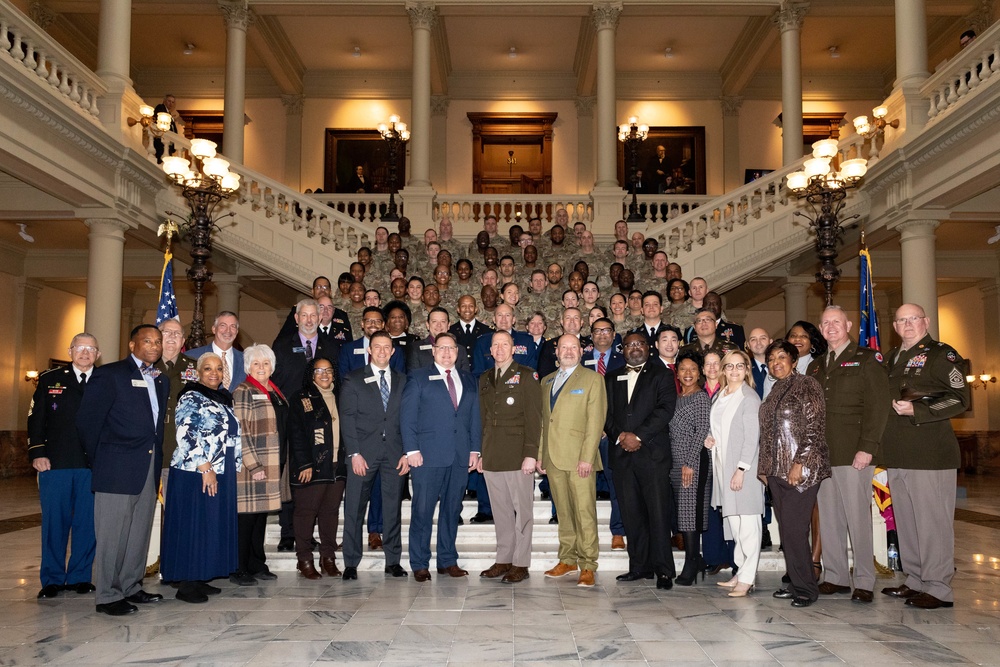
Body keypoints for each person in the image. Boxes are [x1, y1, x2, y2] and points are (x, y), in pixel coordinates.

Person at [880, 303, 969, 610]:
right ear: (894, 326)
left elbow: (960, 398)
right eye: (901, 320)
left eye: (913, 319)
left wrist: (918, 410)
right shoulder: (891, 358)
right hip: (898, 453)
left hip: (930, 453)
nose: (907, 324)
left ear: (926, 321)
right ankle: (916, 579)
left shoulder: (941, 354)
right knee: (906, 522)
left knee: (933, 523)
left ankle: (939, 587)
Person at [77, 324, 168, 616]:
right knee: (112, 535)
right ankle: (107, 595)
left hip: (148, 465)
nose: (153, 346)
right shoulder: (111, 374)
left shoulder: (161, 379)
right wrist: (102, 459)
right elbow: (88, 423)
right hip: (115, 467)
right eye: (147, 341)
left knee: (138, 532)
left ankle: (131, 585)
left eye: (157, 341)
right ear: (132, 345)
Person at [808, 306, 888, 604]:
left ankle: (865, 580)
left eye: (836, 322)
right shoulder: (815, 365)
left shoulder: (867, 359)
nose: (831, 327)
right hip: (823, 454)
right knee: (829, 519)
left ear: (849, 325)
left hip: (854, 452)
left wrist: (867, 447)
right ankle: (836, 576)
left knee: (858, 519)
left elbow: (878, 407)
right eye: (825, 322)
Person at [161, 353, 241, 603]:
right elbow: (185, 434)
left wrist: (232, 468)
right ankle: (186, 583)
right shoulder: (191, 396)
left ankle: (200, 576)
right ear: (198, 372)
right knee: (192, 525)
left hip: (221, 469)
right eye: (208, 368)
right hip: (194, 473)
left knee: (209, 525)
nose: (214, 373)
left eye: (219, 368)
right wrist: (205, 468)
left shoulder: (223, 399)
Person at [401, 333, 482, 582]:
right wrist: (411, 450)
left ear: (458, 352)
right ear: (433, 351)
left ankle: (448, 560)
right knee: (423, 511)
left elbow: (474, 417)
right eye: (442, 348)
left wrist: (475, 450)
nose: (447, 353)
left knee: (451, 510)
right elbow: (407, 416)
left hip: (459, 456)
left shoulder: (469, 380)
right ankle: (420, 562)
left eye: (452, 348)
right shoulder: (418, 377)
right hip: (426, 458)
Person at [28, 333, 100, 599]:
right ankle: (52, 579)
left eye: (90, 349)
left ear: (98, 354)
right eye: (80, 348)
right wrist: (37, 452)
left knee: (87, 523)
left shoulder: (107, 381)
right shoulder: (49, 380)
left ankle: (80, 577)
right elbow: (36, 419)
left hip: (92, 465)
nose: (85, 353)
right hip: (55, 463)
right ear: (70, 351)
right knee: (54, 524)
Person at [759, 340, 830, 608]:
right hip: (776, 472)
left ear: (794, 360)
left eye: (781, 357)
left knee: (795, 531)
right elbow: (768, 434)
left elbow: (815, 427)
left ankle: (806, 589)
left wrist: (799, 463)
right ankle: (795, 581)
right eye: (771, 359)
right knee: (788, 532)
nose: (776, 362)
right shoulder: (775, 389)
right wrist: (764, 468)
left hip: (800, 471)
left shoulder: (807, 385)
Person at [604, 332, 677, 589]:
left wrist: (639, 436)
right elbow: (606, 412)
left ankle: (664, 570)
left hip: (653, 455)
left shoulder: (663, 375)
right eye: (630, 345)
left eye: (640, 344)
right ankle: (638, 567)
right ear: (622, 349)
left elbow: (666, 409)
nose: (635, 348)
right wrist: (620, 436)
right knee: (631, 514)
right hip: (622, 455)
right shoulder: (611, 377)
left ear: (649, 348)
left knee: (657, 514)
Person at [271, 299, 340, 551]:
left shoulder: (330, 346)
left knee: (317, 483)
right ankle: (288, 533)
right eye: (305, 315)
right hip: (292, 423)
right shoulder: (282, 345)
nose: (310, 320)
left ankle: (310, 534)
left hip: (320, 426)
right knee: (292, 479)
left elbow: (336, 383)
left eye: (315, 315)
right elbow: (274, 384)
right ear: (297, 318)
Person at [340, 331, 410, 580]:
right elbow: (347, 419)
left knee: (392, 509)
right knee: (354, 509)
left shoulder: (403, 380)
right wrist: (354, 453)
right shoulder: (353, 379)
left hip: (394, 454)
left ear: (393, 351)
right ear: (369, 350)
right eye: (376, 346)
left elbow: (409, 419)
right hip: (363, 454)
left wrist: (406, 452)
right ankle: (350, 562)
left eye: (386, 347)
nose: (381, 351)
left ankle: (393, 561)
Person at [539, 335, 608, 588]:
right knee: (564, 513)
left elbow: (595, 422)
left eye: (573, 347)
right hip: (553, 459)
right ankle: (567, 559)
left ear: (581, 351)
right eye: (563, 347)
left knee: (584, 513)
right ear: (556, 352)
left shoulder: (593, 379)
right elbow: (545, 423)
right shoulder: (546, 381)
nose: (568, 351)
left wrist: (587, 458)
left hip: (580, 459)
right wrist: (540, 456)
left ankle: (588, 564)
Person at [477, 331, 543, 584]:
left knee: (522, 512)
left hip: (518, 454)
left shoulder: (526, 376)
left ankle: (521, 563)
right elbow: (482, 419)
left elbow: (534, 418)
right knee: (501, 511)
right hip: (493, 453)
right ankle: (504, 558)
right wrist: (482, 452)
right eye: (496, 345)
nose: (500, 349)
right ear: (491, 351)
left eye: (505, 344)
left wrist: (530, 454)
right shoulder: (484, 379)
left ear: (513, 348)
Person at [705, 349, 763, 598]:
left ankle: (748, 578)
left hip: (742, 470)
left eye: (740, 366)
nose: (735, 371)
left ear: (747, 369)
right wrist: (710, 439)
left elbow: (752, 438)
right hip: (723, 467)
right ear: (722, 370)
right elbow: (718, 427)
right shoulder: (721, 395)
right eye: (730, 366)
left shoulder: (749, 397)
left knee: (748, 524)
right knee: (735, 525)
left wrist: (741, 469)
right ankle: (741, 571)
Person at [231, 344, 288, 585]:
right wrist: (254, 465)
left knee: (260, 518)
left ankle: (257, 563)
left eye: (266, 363)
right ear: (248, 367)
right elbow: (240, 431)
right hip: (252, 466)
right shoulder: (243, 390)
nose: (261, 367)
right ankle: (239, 567)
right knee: (246, 519)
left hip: (272, 462)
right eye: (256, 363)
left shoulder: (274, 390)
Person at [287, 357, 346, 579]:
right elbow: (296, 435)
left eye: (328, 370)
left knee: (330, 514)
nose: (324, 375)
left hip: (337, 467)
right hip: (311, 467)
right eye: (319, 371)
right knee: (305, 514)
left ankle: (328, 558)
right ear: (311, 374)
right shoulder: (301, 398)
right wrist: (305, 464)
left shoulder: (342, 396)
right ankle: (304, 559)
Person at [668, 349, 712, 586]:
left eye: (693, 369)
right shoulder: (677, 398)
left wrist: (689, 463)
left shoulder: (700, 397)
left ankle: (692, 563)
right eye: (683, 369)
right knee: (684, 515)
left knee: (691, 515)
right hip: (676, 462)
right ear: (677, 372)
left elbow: (702, 430)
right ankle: (697, 560)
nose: (688, 373)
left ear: (700, 373)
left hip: (694, 462)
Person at [584, 317, 626, 550]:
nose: (602, 335)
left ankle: (618, 531)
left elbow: (624, 402)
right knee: (583, 484)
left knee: (615, 482)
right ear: (591, 335)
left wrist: (607, 427)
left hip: (612, 434)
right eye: (597, 331)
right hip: (585, 433)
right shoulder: (580, 361)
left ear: (613, 334)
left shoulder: (623, 361)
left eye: (606, 330)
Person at [156, 319, 198, 498]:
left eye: (177, 333)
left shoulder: (195, 367)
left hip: (182, 448)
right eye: (167, 332)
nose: (172, 336)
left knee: (179, 506)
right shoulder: (144, 366)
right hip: (150, 447)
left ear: (183, 341)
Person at [188, 311, 246, 393]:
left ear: (236, 331)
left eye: (232, 326)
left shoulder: (246, 360)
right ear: (214, 329)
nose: (228, 331)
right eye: (223, 325)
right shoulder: (192, 357)